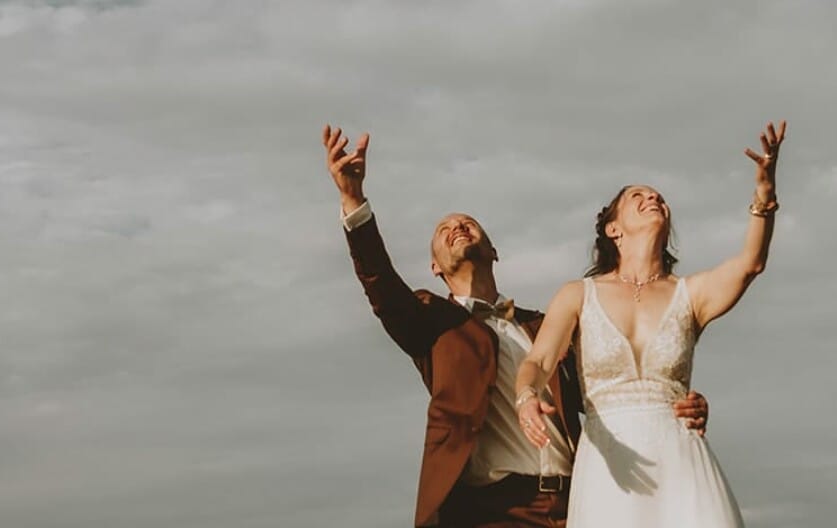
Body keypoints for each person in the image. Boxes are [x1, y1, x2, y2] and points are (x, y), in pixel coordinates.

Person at [322, 125, 711, 528]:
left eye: (468, 222)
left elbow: (614, 383)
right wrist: (353, 199)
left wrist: (676, 404)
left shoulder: (547, 326)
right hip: (494, 511)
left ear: (493, 250)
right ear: (434, 267)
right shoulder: (430, 323)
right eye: (443, 230)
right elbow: (380, 283)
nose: (457, 226)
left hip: (582, 502)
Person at [514, 121, 786, 527]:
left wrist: (764, 196)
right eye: (637, 196)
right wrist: (526, 397)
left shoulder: (690, 294)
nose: (653, 197)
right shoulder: (578, 294)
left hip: (681, 457)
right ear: (613, 229)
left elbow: (751, 263)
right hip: (611, 464)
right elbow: (539, 360)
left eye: (658, 196)